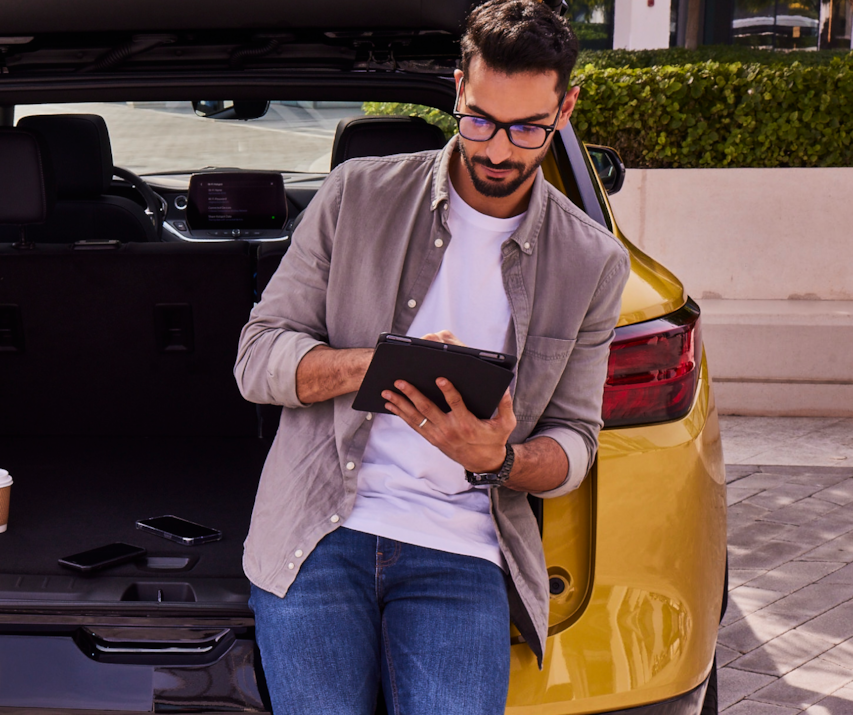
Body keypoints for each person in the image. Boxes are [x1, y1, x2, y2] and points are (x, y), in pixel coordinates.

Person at [232, 1, 632, 713]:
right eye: (479, 120)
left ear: (565, 109)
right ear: (457, 89)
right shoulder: (357, 195)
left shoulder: (592, 261)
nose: (499, 150)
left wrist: (499, 459)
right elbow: (257, 358)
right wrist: (378, 366)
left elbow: (578, 441)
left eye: (526, 128)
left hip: (464, 545)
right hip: (318, 528)